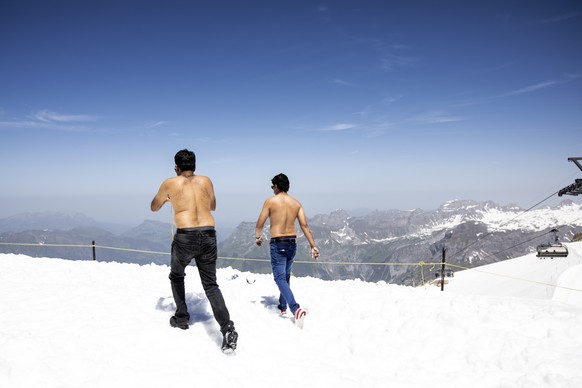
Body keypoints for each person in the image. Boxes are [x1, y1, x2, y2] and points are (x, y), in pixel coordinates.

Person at [151, 149, 238, 353]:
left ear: (177, 167)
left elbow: (154, 206)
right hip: (208, 233)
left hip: (185, 235)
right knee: (210, 284)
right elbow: (213, 206)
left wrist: (169, 198)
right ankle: (227, 328)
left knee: (176, 275)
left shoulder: (170, 182)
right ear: (195, 166)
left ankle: (181, 317)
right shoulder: (207, 181)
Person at [255, 173, 319, 327]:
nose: (272, 189)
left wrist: (258, 237)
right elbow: (304, 225)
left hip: (278, 243)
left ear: (276, 186)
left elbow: (260, 223)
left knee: (279, 278)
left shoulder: (270, 202)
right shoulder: (296, 203)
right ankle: (282, 306)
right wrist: (313, 245)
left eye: (272, 186)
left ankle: (295, 308)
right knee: (286, 275)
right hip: (292, 243)